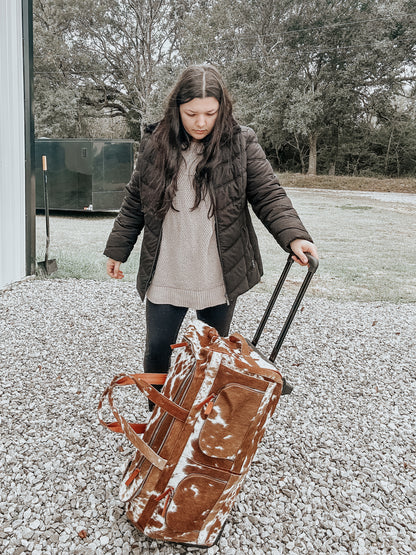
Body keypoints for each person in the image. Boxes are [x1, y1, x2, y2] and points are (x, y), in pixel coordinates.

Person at [104, 64, 318, 391]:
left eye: (210, 113)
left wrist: (295, 235)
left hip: (217, 272)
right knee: (158, 349)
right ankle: (159, 423)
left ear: (222, 109)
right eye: (191, 113)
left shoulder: (240, 142)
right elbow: (136, 197)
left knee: (212, 354)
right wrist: (118, 250)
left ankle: (201, 426)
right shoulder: (154, 143)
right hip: (166, 271)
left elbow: (267, 192)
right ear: (177, 108)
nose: (201, 122)